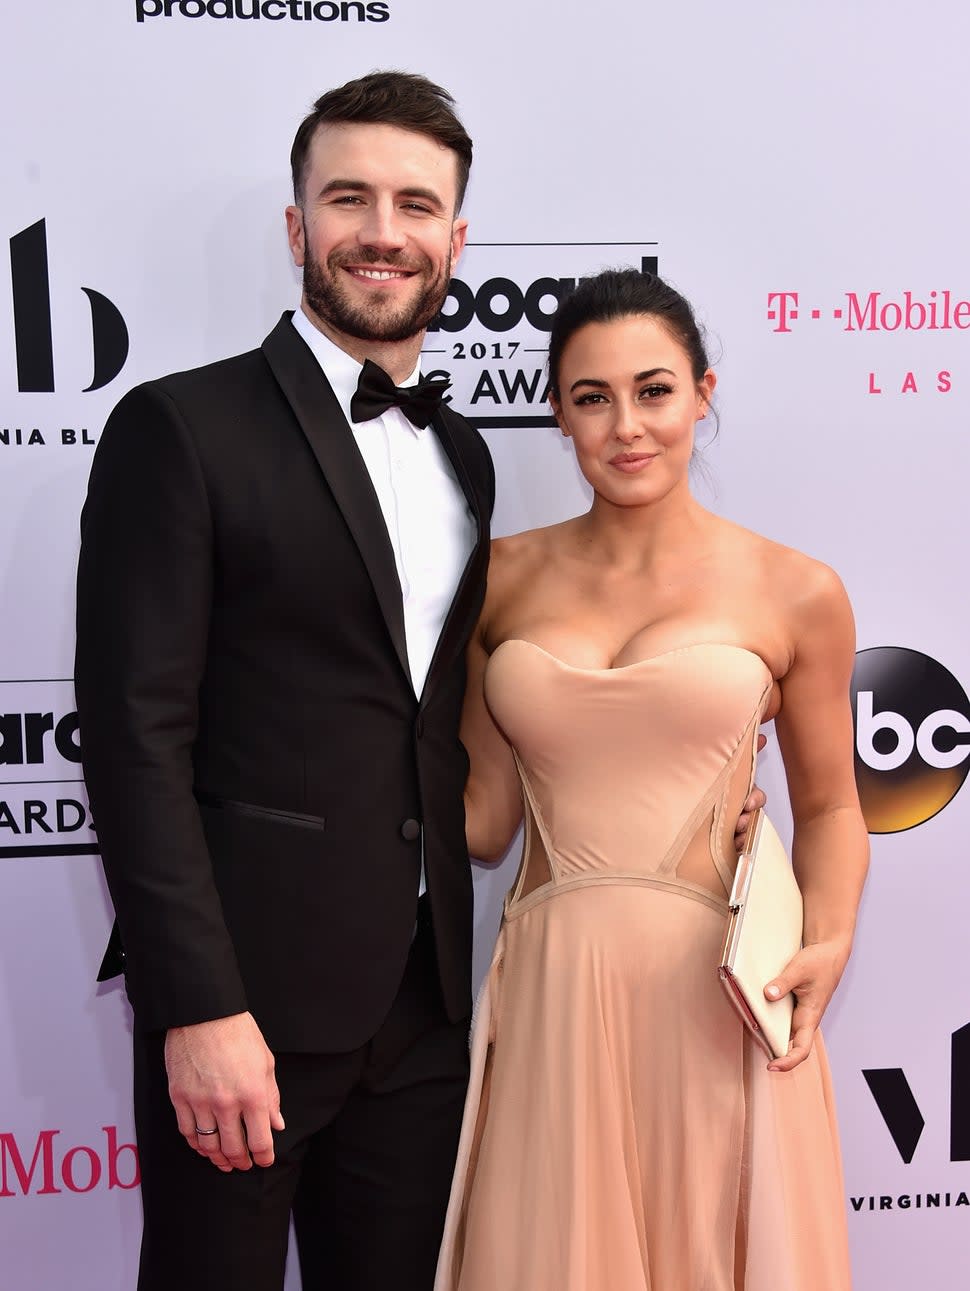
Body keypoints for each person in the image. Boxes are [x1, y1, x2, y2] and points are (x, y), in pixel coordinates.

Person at [75, 72, 493, 1291]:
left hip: (419, 1006)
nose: (383, 229)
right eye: (348, 195)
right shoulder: (182, 429)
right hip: (245, 1010)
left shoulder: (461, 451)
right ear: (297, 224)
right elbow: (135, 737)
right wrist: (198, 1006)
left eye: (416, 203)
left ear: (455, 239)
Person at [435, 269, 869, 1291]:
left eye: (654, 390)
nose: (626, 426)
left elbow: (831, 803)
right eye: (592, 398)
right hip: (553, 984)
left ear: (702, 394)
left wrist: (829, 941)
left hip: (720, 987)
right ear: (557, 413)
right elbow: (485, 819)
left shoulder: (795, 590)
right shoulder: (496, 579)